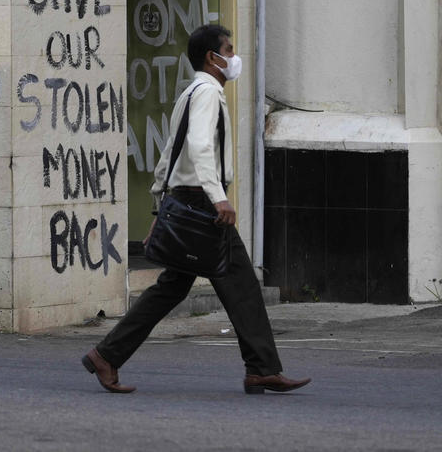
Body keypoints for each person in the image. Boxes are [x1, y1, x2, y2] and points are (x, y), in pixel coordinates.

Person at [81, 24, 311, 395]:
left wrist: (160, 206)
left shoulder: (190, 93)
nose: (234, 57)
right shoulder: (207, 93)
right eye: (230, 50)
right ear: (212, 57)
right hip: (203, 205)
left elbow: (169, 154)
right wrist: (218, 196)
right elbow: (199, 146)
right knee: (243, 286)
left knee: (171, 288)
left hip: (187, 200)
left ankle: (106, 355)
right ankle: (261, 368)